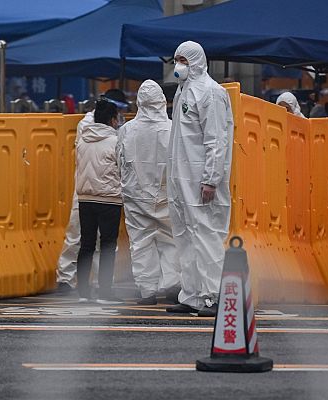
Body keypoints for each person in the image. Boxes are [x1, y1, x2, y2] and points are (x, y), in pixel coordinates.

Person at [165, 41, 234, 316]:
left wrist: (211, 178)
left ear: (196, 61)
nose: (178, 66)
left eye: (183, 60)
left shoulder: (211, 92)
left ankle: (213, 296)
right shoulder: (184, 91)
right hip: (181, 180)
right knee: (185, 237)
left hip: (199, 180)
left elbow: (216, 140)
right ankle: (192, 295)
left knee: (206, 237)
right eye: (176, 60)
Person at [56, 89, 128, 293]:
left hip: (91, 189)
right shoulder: (89, 125)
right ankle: (67, 278)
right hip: (92, 188)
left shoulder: (107, 127)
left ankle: (95, 282)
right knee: (80, 235)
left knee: (92, 239)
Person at [116, 80, 180, 305]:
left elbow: (119, 161)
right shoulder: (173, 128)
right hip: (167, 195)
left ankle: (147, 291)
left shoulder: (127, 130)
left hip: (136, 196)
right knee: (171, 240)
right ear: (162, 101)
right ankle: (172, 285)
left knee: (141, 243)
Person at [75, 99, 124, 305]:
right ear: (113, 120)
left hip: (85, 198)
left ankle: (83, 291)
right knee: (107, 245)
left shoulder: (83, 140)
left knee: (86, 244)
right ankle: (105, 292)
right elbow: (123, 168)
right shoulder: (116, 141)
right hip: (109, 199)